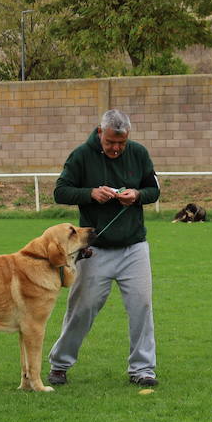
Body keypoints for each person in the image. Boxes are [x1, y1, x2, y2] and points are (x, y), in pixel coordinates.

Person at [46, 110, 161, 388]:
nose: (116, 148)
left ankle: (143, 369)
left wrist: (137, 195)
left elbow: (154, 188)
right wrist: (90, 194)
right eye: (111, 142)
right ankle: (59, 364)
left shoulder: (138, 153)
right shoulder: (81, 156)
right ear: (100, 133)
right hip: (95, 251)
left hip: (134, 247)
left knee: (142, 307)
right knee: (82, 308)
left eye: (121, 143)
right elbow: (60, 191)